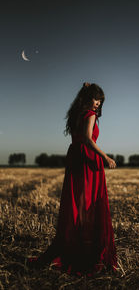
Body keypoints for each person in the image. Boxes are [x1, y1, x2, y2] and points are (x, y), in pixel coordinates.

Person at [27, 82, 118, 276]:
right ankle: (85, 253)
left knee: (77, 204)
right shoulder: (90, 115)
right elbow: (87, 138)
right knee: (88, 205)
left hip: (75, 158)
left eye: (101, 101)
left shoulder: (76, 114)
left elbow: (79, 139)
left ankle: (76, 247)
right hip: (86, 160)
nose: (98, 104)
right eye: (96, 99)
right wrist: (106, 157)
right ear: (87, 98)